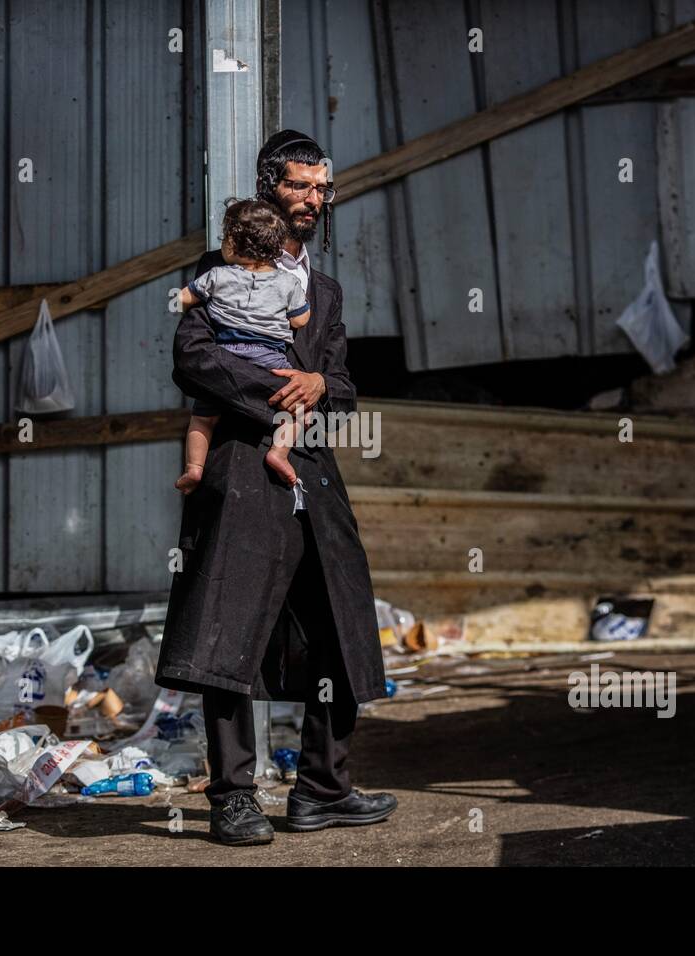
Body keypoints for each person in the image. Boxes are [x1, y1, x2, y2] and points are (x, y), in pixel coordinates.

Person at [158, 129, 397, 846]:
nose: (313, 200)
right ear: (269, 187)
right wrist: (280, 394)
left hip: (314, 477)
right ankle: (232, 796)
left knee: (338, 628)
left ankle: (322, 788)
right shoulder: (218, 267)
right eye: (298, 186)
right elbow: (194, 360)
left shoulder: (323, 291)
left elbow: (345, 387)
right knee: (228, 633)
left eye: (322, 188)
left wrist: (320, 384)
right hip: (238, 471)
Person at [175, 198, 311, 493]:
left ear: (234, 243)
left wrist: (188, 302)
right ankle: (279, 452)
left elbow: (183, 299)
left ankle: (194, 468)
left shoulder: (218, 275)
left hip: (226, 355)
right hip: (269, 359)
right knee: (302, 410)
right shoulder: (287, 283)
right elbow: (301, 320)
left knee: (202, 419)